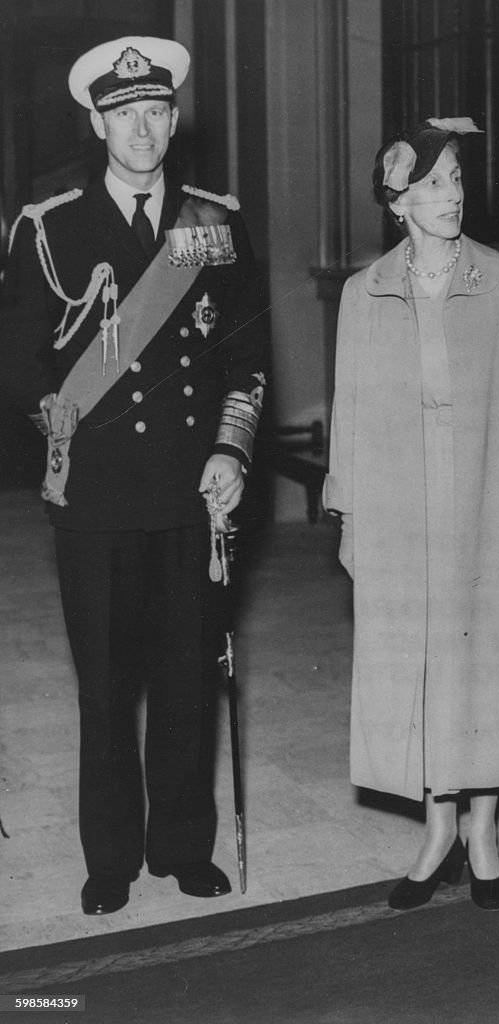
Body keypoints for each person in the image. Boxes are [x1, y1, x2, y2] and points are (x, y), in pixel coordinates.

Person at [0, 37, 269, 915]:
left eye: (156, 110)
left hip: (193, 491)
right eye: (125, 114)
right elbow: (21, 361)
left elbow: (246, 355)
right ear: (97, 122)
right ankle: (109, 857)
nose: (143, 129)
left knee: (189, 677)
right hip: (100, 497)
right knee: (108, 686)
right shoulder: (51, 226)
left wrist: (230, 448)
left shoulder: (215, 223)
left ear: (172, 117)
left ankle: (182, 846)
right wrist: (58, 423)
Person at [323, 117, 499, 912]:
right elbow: (348, 410)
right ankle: (437, 832)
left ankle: (484, 834)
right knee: (418, 668)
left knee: (485, 665)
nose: (449, 195)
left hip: (489, 495)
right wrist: (349, 514)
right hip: (398, 505)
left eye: (456, 179)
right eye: (429, 184)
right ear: (397, 201)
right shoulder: (365, 292)